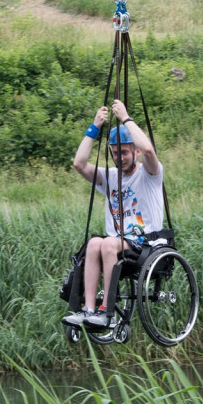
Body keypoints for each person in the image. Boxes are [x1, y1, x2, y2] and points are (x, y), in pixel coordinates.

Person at [62, 99, 164, 329]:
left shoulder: (150, 173)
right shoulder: (109, 177)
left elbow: (148, 149)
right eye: (116, 153)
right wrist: (95, 126)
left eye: (125, 153)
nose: (120, 158)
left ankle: (107, 312)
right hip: (118, 242)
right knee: (94, 244)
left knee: (107, 244)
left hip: (144, 242)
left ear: (134, 151)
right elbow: (79, 163)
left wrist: (126, 119)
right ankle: (88, 309)